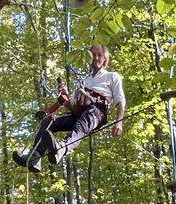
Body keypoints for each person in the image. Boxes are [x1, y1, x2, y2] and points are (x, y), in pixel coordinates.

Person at [13, 44, 125, 172]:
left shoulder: (111, 76)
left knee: (82, 124)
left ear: (105, 59)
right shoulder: (83, 81)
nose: (96, 58)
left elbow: (120, 101)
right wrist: (63, 96)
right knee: (47, 122)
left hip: (96, 112)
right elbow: (71, 107)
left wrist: (119, 123)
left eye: (99, 55)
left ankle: (61, 149)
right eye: (93, 55)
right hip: (78, 113)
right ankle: (34, 158)